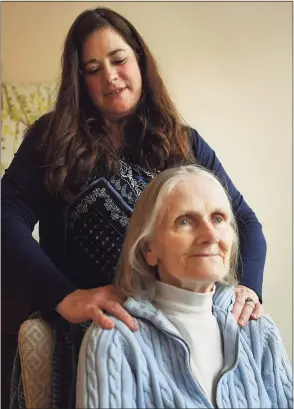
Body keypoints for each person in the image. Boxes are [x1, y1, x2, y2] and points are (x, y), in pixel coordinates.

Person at [2, 6, 266, 408]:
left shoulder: (184, 143)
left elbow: (243, 220)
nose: (109, 76)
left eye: (119, 59)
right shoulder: (51, 138)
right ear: (80, 79)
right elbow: (5, 217)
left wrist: (249, 288)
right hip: (97, 335)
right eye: (92, 68)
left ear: (140, 61)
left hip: (185, 331)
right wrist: (64, 295)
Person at [77, 165, 292, 409]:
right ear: (149, 249)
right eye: (185, 221)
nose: (210, 235)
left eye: (219, 218)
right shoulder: (114, 341)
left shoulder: (258, 330)